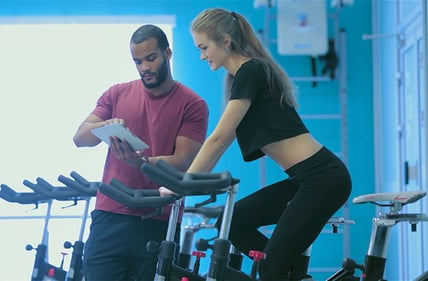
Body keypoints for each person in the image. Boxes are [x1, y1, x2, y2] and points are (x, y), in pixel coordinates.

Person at [160, 8, 352, 281]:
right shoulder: (243, 76)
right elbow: (221, 140)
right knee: (233, 222)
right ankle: (287, 272)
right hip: (304, 179)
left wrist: (183, 184)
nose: (202, 56)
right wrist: (187, 183)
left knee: (271, 269)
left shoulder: (251, 71)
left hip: (323, 178)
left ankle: (280, 270)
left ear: (225, 40)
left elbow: (219, 138)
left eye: (204, 47)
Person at [73, 24, 209, 281]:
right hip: (109, 215)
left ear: (167, 54)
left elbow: (183, 161)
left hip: (159, 219)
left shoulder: (193, 104)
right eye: (137, 61)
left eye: (151, 58)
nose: (144, 67)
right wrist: (106, 125)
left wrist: (140, 163)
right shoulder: (116, 94)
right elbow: (80, 138)